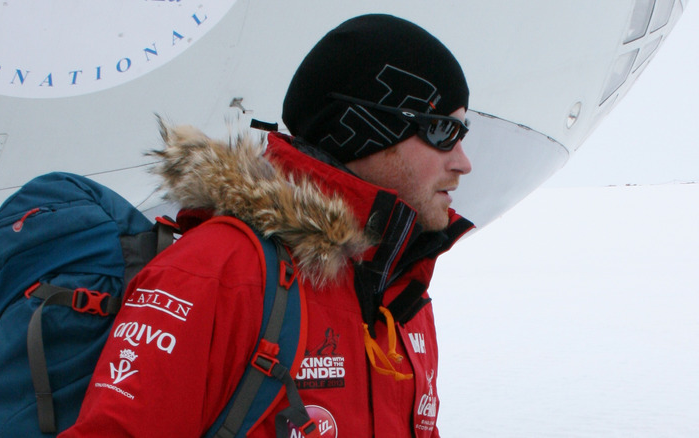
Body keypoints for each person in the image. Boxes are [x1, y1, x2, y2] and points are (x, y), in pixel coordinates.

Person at [62, 13, 474, 438]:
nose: (464, 162)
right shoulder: (217, 272)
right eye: (443, 130)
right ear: (364, 130)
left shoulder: (400, 290)